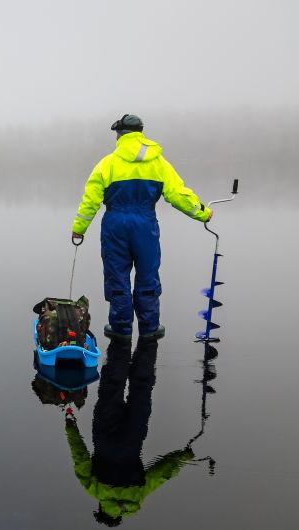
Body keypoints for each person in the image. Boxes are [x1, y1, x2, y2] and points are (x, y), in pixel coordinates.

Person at [71, 114, 212, 339]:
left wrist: (79, 228)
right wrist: (203, 213)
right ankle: (149, 328)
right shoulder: (159, 163)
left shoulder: (107, 164)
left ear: (119, 134)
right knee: (147, 274)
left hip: (115, 225)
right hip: (146, 225)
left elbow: (90, 202)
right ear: (141, 133)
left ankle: (120, 329)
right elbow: (178, 194)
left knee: (117, 276)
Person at [65, 336, 194, 526]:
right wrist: (71, 426)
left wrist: (184, 456)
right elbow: (80, 456)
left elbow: (162, 473)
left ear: (119, 515)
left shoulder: (137, 494)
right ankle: (120, 338)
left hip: (133, 437)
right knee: (112, 387)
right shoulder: (96, 491)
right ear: (101, 508)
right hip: (105, 433)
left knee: (142, 388)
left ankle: (149, 339)